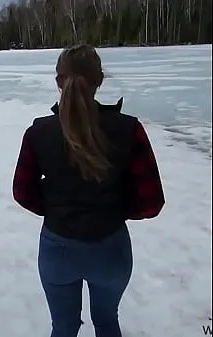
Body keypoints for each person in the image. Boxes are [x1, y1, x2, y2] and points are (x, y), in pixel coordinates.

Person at [11, 44, 165, 337]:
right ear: (100, 80)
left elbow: (22, 191)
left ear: (58, 81)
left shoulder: (38, 133)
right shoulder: (129, 129)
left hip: (58, 249)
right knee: (107, 322)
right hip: (110, 249)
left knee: (64, 327)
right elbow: (151, 201)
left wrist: (57, 208)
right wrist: (116, 208)